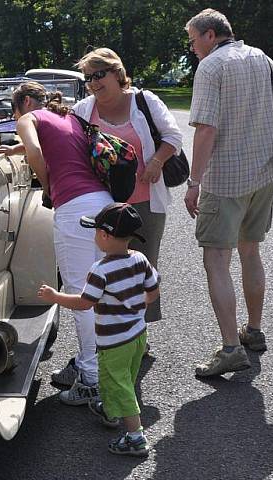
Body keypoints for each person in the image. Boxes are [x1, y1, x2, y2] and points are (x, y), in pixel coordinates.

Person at [184, 9, 273, 377]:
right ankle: (255, 330)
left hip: (225, 180)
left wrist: (194, 182)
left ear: (211, 35)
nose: (192, 47)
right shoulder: (262, 57)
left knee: (216, 259)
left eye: (193, 39)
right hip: (265, 174)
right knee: (251, 250)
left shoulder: (212, 67)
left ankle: (231, 348)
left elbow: (205, 130)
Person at [0, 81, 113, 406]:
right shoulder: (69, 117)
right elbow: (55, 145)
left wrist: (48, 187)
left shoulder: (28, 119)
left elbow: (36, 150)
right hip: (103, 204)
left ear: (23, 103)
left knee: (80, 294)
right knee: (104, 290)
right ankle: (110, 366)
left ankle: (90, 379)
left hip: (74, 209)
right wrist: (14, 149)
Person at [71, 47, 183, 334]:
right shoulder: (83, 110)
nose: (94, 83)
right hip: (103, 204)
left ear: (117, 73)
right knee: (104, 268)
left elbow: (173, 136)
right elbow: (65, 143)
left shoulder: (144, 101)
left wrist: (157, 161)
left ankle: (138, 333)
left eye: (99, 74)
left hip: (145, 203)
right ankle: (111, 330)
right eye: (88, 78)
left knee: (140, 268)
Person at [38, 203, 160, 456]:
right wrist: (135, 306)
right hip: (138, 335)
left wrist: (54, 296)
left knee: (120, 384)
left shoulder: (100, 270)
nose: (94, 236)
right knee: (122, 377)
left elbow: (84, 303)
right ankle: (110, 409)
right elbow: (153, 291)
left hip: (114, 341)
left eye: (95, 232)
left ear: (104, 236)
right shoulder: (140, 259)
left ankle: (135, 437)